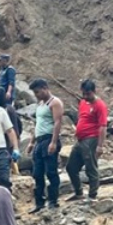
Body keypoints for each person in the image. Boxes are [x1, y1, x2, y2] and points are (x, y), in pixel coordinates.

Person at [66, 79, 108, 202]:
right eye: (83, 94)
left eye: (88, 94)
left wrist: (100, 145)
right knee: (71, 167)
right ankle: (78, 192)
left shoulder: (100, 105)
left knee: (91, 167)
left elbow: (103, 126)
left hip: (91, 139)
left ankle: (92, 195)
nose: (85, 96)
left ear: (94, 92)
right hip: (80, 139)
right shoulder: (83, 102)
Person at [28, 78, 63, 213]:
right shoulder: (40, 105)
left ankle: (53, 201)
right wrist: (31, 142)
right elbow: (37, 124)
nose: (36, 95)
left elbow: (57, 122)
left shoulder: (55, 102)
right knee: (37, 173)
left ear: (44, 88)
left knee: (51, 172)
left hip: (49, 139)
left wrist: (53, 142)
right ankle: (39, 202)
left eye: (37, 92)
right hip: (39, 141)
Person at [0, 54, 21, 138]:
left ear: (5, 61)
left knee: (9, 110)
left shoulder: (10, 70)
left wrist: (9, 92)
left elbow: (11, 82)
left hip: (6, 95)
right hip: (0, 95)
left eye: (1, 60)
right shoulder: (1, 71)